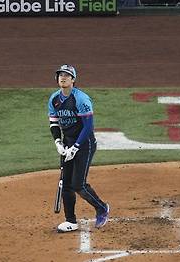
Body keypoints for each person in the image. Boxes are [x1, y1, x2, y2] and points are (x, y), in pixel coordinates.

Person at [48, 64, 109, 233]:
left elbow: (88, 126)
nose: (63, 77)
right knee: (66, 183)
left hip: (85, 144)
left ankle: (102, 208)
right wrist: (58, 143)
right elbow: (54, 123)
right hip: (67, 143)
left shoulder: (81, 99)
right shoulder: (54, 99)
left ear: (73, 79)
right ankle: (71, 221)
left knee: (78, 184)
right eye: (60, 75)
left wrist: (75, 147)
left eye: (67, 75)